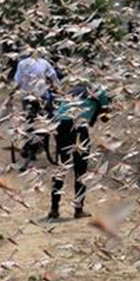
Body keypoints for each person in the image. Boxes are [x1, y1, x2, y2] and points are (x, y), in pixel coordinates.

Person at [48, 84, 110, 220]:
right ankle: (78, 209)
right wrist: (106, 110)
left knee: (61, 166)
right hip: (78, 126)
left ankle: (54, 209)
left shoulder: (73, 90)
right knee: (81, 170)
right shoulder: (103, 92)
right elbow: (105, 117)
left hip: (61, 125)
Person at [7, 48, 60, 171]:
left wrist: (12, 93)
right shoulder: (44, 63)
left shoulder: (22, 64)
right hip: (42, 97)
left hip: (27, 98)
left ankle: (27, 145)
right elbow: (54, 77)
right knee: (48, 119)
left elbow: (18, 81)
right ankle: (43, 138)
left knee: (28, 121)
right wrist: (57, 88)